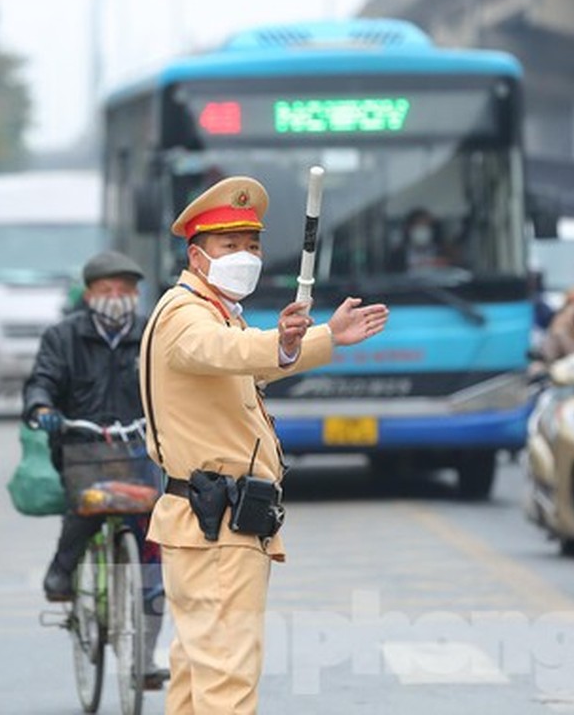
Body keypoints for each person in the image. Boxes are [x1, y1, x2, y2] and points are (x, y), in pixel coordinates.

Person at [140, 175, 389, 714]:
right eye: (229, 246)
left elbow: (241, 365)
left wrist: (322, 336)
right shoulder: (187, 316)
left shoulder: (214, 309)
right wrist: (279, 340)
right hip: (216, 522)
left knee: (197, 669)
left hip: (209, 521)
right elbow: (223, 352)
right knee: (228, 677)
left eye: (252, 245)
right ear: (197, 255)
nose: (245, 256)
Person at [22, 249, 169, 689]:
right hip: (83, 447)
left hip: (140, 449)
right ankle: (62, 570)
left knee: (151, 555)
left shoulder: (151, 334)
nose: (116, 297)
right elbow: (42, 380)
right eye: (107, 289)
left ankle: (144, 660)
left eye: (125, 290)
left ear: (137, 294)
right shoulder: (62, 337)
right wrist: (42, 406)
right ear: (89, 294)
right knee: (86, 509)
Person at [401, 207, 454, 271]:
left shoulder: (442, 250)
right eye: (419, 225)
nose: (422, 229)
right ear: (409, 228)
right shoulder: (400, 254)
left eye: (426, 225)